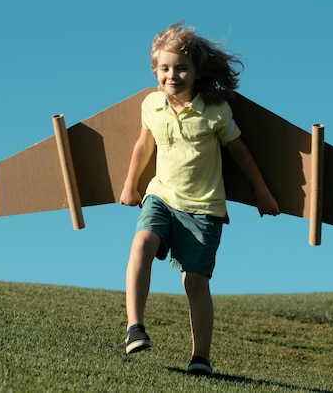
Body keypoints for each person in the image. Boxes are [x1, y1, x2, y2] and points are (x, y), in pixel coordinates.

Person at [120, 21, 280, 376]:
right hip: (161, 196)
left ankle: (200, 358)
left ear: (195, 71)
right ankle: (135, 327)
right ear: (155, 70)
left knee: (194, 280)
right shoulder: (151, 105)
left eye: (180, 68)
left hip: (204, 208)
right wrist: (131, 184)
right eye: (164, 68)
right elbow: (144, 145)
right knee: (141, 243)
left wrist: (262, 193)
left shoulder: (215, 111)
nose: (172, 75)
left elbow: (239, 153)